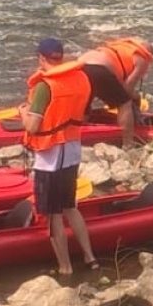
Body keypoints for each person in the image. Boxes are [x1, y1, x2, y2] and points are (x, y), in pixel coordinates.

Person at [22, 39, 99, 277]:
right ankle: (90, 258)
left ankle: (65, 267)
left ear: (42, 58)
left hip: (49, 155)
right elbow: (84, 115)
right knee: (70, 206)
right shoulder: (81, 78)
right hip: (72, 148)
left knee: (53, 213)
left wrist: (21, 111)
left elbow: (33, 126)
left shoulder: (45, 86)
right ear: (61, 57)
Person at [78, 36, 153, 145]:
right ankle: (128, 144)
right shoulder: (142, 58)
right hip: (99, 68)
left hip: (79, 67)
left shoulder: (121, 47)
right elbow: (127, 88)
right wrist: (137, 97)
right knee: (125, 104)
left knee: (84, 105)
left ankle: (77, 138)